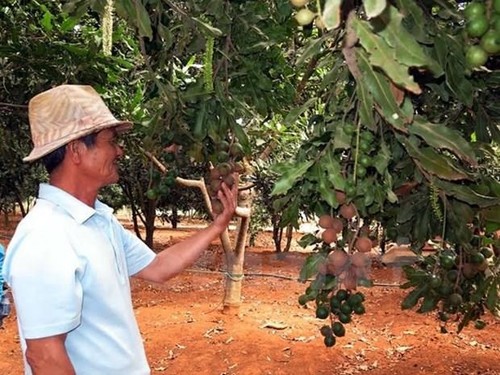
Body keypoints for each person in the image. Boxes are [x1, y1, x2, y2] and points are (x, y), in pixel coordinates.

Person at [2, 84, 238, 375]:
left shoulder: (99, 222)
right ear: (76, 150)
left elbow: (159, 267)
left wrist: (217, 226)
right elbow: (44, 356)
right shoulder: (46, 236)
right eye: (111, 141)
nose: (120, 150)